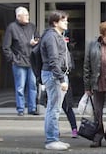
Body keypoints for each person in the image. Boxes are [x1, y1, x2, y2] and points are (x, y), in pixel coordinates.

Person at [40, 10, 72, 151]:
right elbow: (53, 60)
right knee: (53, 109)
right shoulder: (51, 37)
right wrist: (61, 79)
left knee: (54, 109)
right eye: (63, 20)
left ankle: (54, 138)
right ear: (55, 22)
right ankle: (51, 140)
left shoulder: (57, 36)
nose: (66, 22)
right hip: (54, 76)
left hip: (57, 75)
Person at [2, 6, 39, 116]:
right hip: (19, 62)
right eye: (26, 15)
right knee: (20, 87)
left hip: (32, 61)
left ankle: (32, 108)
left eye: (28, 15)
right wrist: (13, 59)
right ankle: (21, 109)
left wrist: (35, 42)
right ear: (18, 17)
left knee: (33, 86)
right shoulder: (12, 27)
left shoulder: (32, 26)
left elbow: (39, 39)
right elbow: (6, 46)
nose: (28, 17)